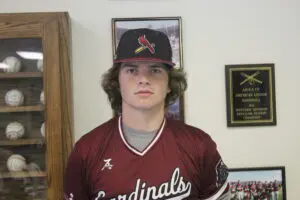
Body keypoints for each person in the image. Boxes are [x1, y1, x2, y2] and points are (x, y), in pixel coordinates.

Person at [64, 28, 229, 200]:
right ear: (117, 82)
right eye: (132, 70)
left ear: (170, 83)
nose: (143, 79)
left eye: (155, 70)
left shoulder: (199, 145)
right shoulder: (86, 150)